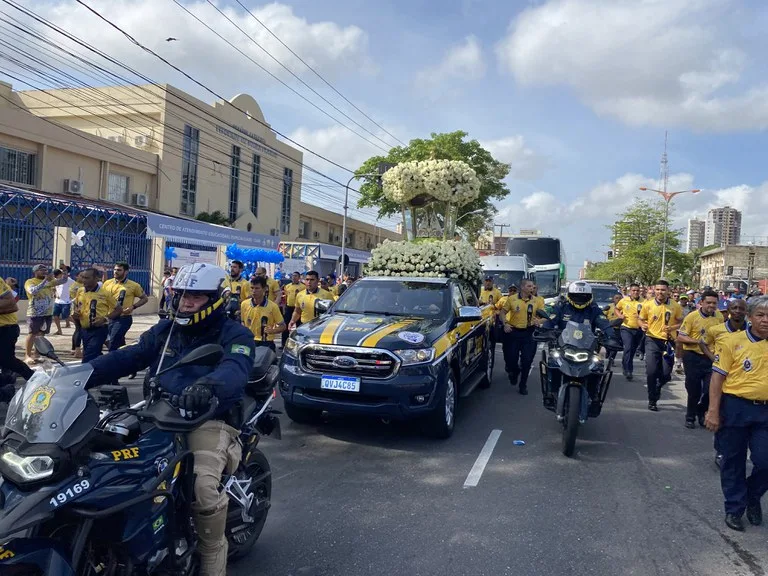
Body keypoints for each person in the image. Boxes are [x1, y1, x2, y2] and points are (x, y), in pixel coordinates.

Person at [87, 263, 254, 575]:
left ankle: (212, 557)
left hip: (207, 419)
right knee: (98, 459)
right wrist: (83, 372)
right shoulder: (166, 331)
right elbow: (131, 356)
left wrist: (207, 387)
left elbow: (235, 369)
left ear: (217, 298)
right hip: (158, 412)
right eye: (181, 295)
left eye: (195, 296)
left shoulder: (235, 333)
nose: (185, 302)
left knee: (201, 487)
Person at [706, 295, 768, 533]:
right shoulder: (733, 342)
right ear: (750, 318)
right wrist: (713, 410)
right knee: (732, 461)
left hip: (765, 411)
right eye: (760, 315)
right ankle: (734, 508)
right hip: (735, 407)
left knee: (765, 462)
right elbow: (717, 377)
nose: (765, 320)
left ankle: (752, 495)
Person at [542, 281, 620, 408]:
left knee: (598, 366)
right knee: (553, 362)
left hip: (587, 347)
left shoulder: (594, 309)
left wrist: (611, 337)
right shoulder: (561, 306)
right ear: (569, 295)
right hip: (563, 346)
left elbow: (604, 324)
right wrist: (544, 331)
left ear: (589, 296)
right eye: (576, 296)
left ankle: (594, 395)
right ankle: (552, 392)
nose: (580, 299)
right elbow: (551, 321)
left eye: (583, 297)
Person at [701, 298, 748, 468]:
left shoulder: (752, 332)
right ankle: (721, 450)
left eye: (741, 308)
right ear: (727, 310)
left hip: (742, 380)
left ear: (746, 312)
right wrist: (714, 358)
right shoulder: (716, 330)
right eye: (734, 308)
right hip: (720, 376)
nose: (737, 311)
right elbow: (703, 343)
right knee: (721, 414)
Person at [676, 290, 723, 429]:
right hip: (693, 357)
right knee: (694, 390)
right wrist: (698, 342)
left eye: (714, 303)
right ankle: (690, 416)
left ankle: (701, 412)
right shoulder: (692, 317)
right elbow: (681, 336)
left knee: (711, 389)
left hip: (711, 358)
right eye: (708, 302)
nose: (711, 305)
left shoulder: (719, 316)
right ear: (701, 302)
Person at [639, 280, 684, 412]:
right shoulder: (648, 305)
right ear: (654, 290)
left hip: (669, 342)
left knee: (666, 374)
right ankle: (652, 399)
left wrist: (672, 328)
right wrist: (643, 325)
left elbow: (682, 323)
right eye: (658, 289)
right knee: (651, 372)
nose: (660, 292)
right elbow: (641, 319)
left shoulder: (675, 306)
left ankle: (658, 386)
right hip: (652, 340)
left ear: (668, 291)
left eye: (663, 290)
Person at [500, 279, 545, 395]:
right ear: (523, 287)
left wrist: (539, 321)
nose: (532, 289)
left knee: (527, 360)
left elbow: (544, 316)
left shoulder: (537, 301)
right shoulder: (512, 299)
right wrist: (505, 324)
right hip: (514, 332)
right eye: (529, 286)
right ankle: (514, 372)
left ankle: (523, 385)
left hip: (529, 333)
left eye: (533, 287)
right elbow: (502, 313)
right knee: (511, 360)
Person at [73, 268, 122, 363]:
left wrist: (105, 319)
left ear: (96, 278)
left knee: (88, 358)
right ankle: (109, 371)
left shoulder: (105, 294)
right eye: (83, 277)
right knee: (95, 356)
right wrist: (76, 313)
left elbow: (119, 309)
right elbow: (76, 305)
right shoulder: (80, 291)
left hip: (98, 330)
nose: (83, 280)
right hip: (84, 330)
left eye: (87, 278)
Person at [24, 264, 67, 364]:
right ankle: (27, 355)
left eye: (45, 270)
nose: (44, 271)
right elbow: (33, 291)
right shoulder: (30, 282)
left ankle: (36, 354)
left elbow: (63, 281)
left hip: (47, 313)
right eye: (41, 270)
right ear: (35, 272)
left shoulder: (49, 282)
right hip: (35, 313)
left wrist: (64, 271)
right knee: (32, 334)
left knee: (41, 335)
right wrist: (45, 281)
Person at [0, 276, 34, 399]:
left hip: (6, 328)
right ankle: (6, 384)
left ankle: (32, 377)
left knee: (6, 360)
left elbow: (12, 304)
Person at [102, 262, 148, 352]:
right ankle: (127, 357)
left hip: (123, 318)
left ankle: (111, 364)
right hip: (109, 317)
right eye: (115, 269)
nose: (115, 272)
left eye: (119, 270)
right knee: (116, 343)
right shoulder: (107, 283)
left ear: (126, 272)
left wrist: (133, 307)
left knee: (113, 342)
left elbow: (144, 299)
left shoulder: (134, 285)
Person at [242, 276, 285, 351]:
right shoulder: (244, 304)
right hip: (249, 341)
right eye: (252, 288)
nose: (254, 291)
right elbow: (243, 322)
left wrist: (272, 331)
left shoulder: (273, 306)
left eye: (257, 288)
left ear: (265, 289)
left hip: (266, 342)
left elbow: (283, 326)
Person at [617, 283, 643, 380]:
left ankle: (625, 364)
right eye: (633, 290)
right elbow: (616, 309)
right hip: (626, 328)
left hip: (638, 329)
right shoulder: (624, 301)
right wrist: (620, 315)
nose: (635, 292)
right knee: (628, 347)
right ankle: (628, 370)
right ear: (630, 291)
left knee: (632, 350)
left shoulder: (644, 302)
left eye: (637, 290)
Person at [282, 272, 303, 347]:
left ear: (299, 277)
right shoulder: (287, 286)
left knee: (299, 326)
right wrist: (284, 307)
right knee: (286, 325)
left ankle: (299, 343)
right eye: (293, 276)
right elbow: (285, 298)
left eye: (296, 276)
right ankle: (284, 343)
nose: (294, 277)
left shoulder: (303, 287)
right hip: (288, 307)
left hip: (298, 308)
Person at [52, 266, 75, 334]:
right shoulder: (57, 280)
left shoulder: (69, 280)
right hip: (57, 301)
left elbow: (76, 286)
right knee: (55, 316)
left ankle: (78, 325)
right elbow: (54, 287)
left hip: (66, 301)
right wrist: (55, 293)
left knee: (66, 316)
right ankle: (59, 330)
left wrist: (73, 296)